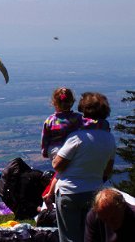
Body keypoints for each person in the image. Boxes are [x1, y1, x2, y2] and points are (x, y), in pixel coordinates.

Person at [51, 92, 116, 242]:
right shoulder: (109, 138)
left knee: (70, 237)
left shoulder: (77, 137)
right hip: (94, 193)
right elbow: (108, 170)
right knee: (91, 236)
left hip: (69, 192)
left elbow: (58, 165)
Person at [41, 87, 84, 159]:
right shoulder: (79, 118)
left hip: (55, 150)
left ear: (54, 103)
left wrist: (44, 152)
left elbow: (45, 138)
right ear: (72, 102)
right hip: (74, 148)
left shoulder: (50, 120)